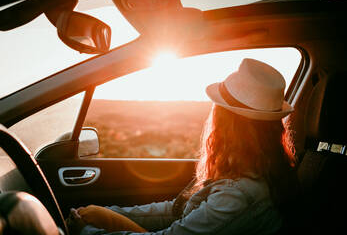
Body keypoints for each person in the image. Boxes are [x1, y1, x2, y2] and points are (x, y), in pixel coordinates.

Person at [66, 58, 300, 235]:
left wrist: (86, 232)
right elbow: (175, 210)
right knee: (93, 212)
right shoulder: (255, 171)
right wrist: (105, 213)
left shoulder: (238, 193)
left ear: (227, 125)